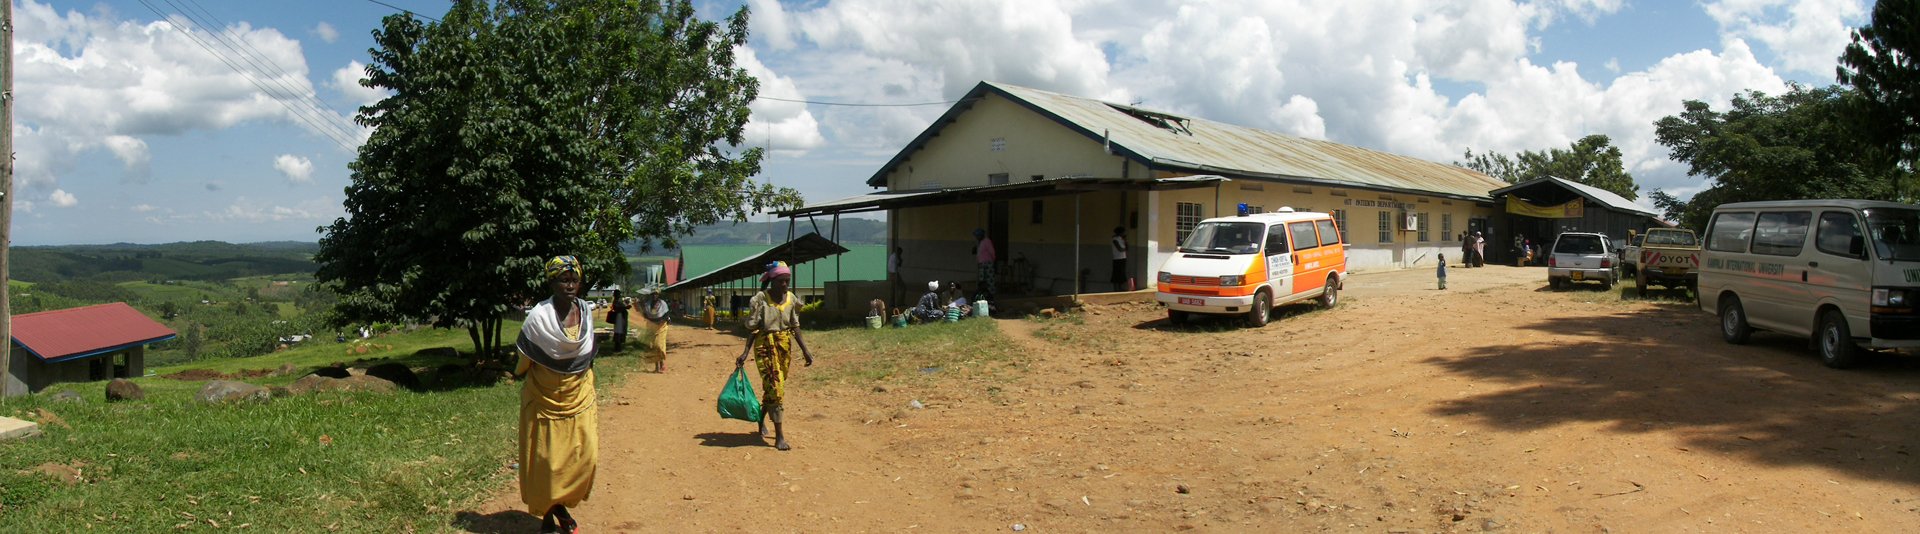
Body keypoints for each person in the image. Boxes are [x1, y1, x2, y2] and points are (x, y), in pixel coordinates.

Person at [513, 255, 599, 534]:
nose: (570, 285)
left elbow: (588, 354)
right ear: (552, 282)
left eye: (574, 280)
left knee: (585, 457)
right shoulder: (538, 318)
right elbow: (524, 362)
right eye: (564, 280)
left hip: (580, 396)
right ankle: (552, 513)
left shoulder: (586, 312)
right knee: (546, 463)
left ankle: (559, 506)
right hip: (544, 398)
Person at [734, 261, 815, 451]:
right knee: (776, 388)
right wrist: (745, 352)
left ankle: (760, 420)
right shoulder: (761, 300)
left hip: (784, 347)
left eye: (787, 281)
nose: (784, 285)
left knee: (774, 388)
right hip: (765, 346)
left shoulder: (791, 299)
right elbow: (753, 329)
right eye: (781, 281)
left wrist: (805, 350)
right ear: (772, 281)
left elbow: (795, 326)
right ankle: (780, 437)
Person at [638, 289, 670, 373]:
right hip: (651, 327)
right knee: (654, 347)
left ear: (658, 295)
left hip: (661, 327)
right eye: (653, 294)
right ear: (651, 295)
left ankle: (662, 364)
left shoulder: (663, 304)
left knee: (659, 345)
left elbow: (666, 315)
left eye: (656, 294)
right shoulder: (648, 304)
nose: (654, 296)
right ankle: (657, 367)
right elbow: (645, 315)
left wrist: (661, 321)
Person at [973, 228, 997, 300]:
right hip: (981, 264)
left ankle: (991, 295)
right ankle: (983, 294)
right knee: (982, 280)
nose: (977, 237)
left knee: (989, 280)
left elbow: (992, 252)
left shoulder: (987, 241)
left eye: (978, 236)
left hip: (987, 263)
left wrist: (993, 260)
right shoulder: (981, 242)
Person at [1111, 226, 1129, 291]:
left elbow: (1127, 248)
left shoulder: (1122, 239)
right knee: (1116, 273)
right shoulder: (1115, 239)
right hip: (1117, 258)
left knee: (1122, 273)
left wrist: (1125, 240)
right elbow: (1120, 249)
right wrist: (1124, 249)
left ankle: (1120, 287)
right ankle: (1116, 289)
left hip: (1123, 258)